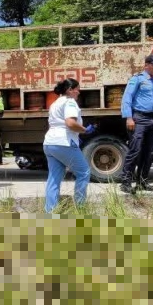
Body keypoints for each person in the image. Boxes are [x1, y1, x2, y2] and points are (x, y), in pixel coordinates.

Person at [42, 78, 96, 213]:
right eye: (77, 88)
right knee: (84, 172)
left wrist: (75, 136)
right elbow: (70, 123)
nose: (79, 91)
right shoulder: (70, 102)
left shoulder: (55, 103)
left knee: (54, 178)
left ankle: (50, 212)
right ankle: (80, 208)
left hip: (50, 143)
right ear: (69, 90)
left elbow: (54, 124)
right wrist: (84, 130)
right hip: (63, 143)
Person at [119, 53, 153, 193]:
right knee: (135, 150)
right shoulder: (137, 79)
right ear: (146, 65)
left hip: (152, 120)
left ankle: (142, 182)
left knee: (150, 153)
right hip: (138, 118)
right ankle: (125, 182)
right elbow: (127, 98)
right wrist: (128, 117)